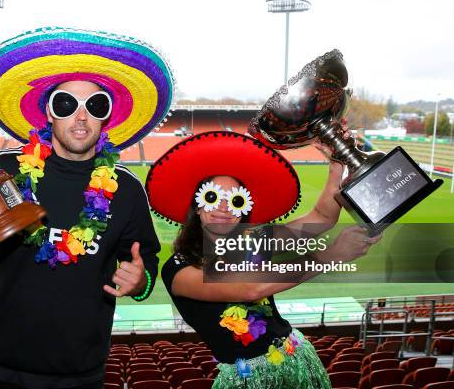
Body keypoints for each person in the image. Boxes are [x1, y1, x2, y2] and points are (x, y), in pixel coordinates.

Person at [0, 27, 175, 389]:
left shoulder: (127, 190)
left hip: (81, 376)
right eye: (66, 104)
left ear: (107, 117)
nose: (81, 117)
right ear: (49, 113)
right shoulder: (6, 170)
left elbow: (145, 264)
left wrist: (139, 280)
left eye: (96, 105)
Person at [145, 130, 382, 388]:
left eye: (235, 200)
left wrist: (337, 166)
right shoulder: (179, 270)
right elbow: (251, 287)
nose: (224, 208)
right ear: (198, 206)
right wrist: (331, 256)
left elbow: (321, 219)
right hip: (248, 381)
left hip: (297, 360)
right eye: (212, 197)